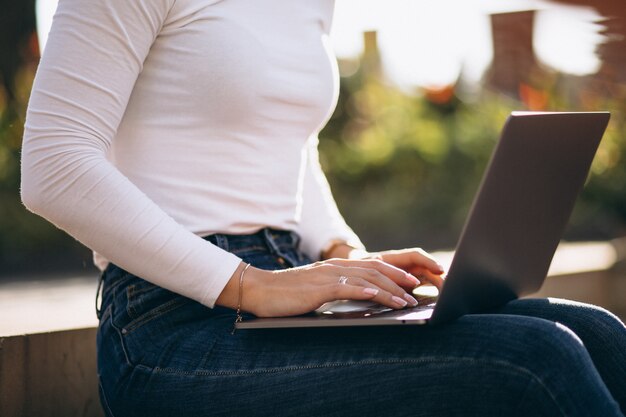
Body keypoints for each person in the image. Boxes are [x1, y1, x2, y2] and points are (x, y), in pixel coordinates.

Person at [20, 0, 626, 416]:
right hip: (168, 328)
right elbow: (53, 165)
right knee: (534, 359)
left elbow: (291, 148)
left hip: (290, 281)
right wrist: (248, 284)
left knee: (596, 329)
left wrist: (346, 257)